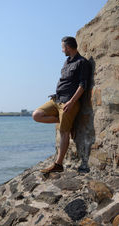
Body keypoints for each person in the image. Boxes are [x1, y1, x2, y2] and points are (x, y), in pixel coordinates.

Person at [32, 36, 89, 173]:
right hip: (57, 99)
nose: (62, 50)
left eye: (63, 47)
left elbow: (83, 85)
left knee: (64, 132)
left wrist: (71, 102)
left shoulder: (82, 62)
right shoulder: (66, 62)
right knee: (36, 115)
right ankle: (67, 123)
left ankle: (58, 165)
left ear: (68, 47)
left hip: (69, 102)